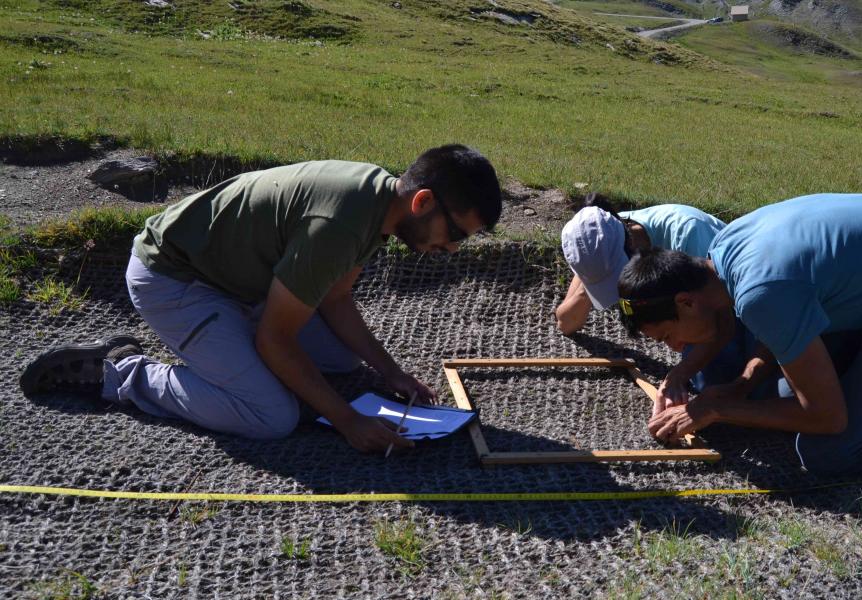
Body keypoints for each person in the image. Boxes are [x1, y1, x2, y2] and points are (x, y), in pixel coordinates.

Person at [20, 144, 502, 454]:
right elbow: (276, 340)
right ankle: (120, 372)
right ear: (423, 202)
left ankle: (230, 343)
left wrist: (390, 371)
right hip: (172, 279)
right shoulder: (338, 226)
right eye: (456, 232)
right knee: (271, 416)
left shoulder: (380, 202)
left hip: (236, 283)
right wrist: (347, 421)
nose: (454, 248)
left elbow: (335, 299)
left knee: (335, 358)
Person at [616, 193, 862, 474]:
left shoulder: (760, 291)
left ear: (686, 301)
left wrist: (717, 408)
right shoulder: (724, 252)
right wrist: (742, 384)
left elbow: (827, 417)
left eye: (667, 336)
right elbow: (776, 327)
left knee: (834, 449)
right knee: (790, 395)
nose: (677, 348)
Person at [557, 194, 770, 408]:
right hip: (698, 318)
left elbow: (724, 323)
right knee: (711, 383)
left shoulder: (688, 232)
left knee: (746, 385)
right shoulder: (597, 244)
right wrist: (593, 283)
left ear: (629, 241)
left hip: (744, 308)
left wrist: (677, 375)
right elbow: (566, 323)